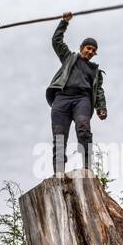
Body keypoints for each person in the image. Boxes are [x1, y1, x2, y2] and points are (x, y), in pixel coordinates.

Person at [45, 11, 107, 176]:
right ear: (82, 47)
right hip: (62, 99)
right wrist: (64, 22)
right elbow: (56, 41)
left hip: (82, 100)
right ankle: (58, 174)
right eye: (88, 48)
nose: (90, 51)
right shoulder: (69, 58)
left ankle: (87, 169)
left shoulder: (95, 71)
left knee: (83, 129)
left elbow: (99, 90)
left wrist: (101, 107)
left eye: (93, 50)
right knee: (59, 137)